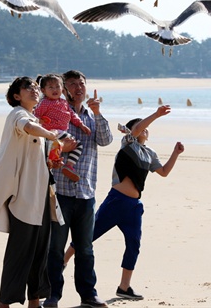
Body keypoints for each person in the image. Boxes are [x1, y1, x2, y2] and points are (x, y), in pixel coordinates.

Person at [64, 105, 185, 300]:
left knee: (134, 244)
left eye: (145, 126)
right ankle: (63, 260)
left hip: (134, 207)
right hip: (116, 201)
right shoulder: (128, 143)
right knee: (89, 235)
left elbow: (163, 172)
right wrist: (156, 114)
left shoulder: (149, 153)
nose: (143, 128)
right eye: (139, 125)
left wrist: (175, 154)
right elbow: (136, 131)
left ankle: (124, 287)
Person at [0, 76, 76, 308]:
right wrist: (52, 134)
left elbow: (37, 157)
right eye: (28, 87)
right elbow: (28, 127)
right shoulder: (18, 114)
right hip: (23, 200)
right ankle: (4, 304)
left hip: (42, 200)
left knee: (39, 257)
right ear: (17, 95)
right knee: (18, 256)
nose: (34, 90)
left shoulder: (35, 118)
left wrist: (52, 160)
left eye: (36, 87)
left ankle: (34, 303)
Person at [44, 70, 113, 308]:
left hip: (86, 193)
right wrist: (61, 148)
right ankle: (52, 295)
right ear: (63, 88)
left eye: (81, 83)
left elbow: (105, 141)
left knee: (85, 248)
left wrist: (97, 112)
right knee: (55, 248)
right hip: (60, 192)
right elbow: (42, 142)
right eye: (71, 84)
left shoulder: (92, 116)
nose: (77, 87)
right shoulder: (57, 111)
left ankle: (88, 295)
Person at [35, 73, 91, 182]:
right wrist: (39, 121)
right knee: (57, 147)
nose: (55, 89)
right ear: (43, 90)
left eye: (57, 86)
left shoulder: (63, 102)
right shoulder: (44, 103)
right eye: (51, 87)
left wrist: (81, 124)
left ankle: (68, 165)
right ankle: (56, 162)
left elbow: (72, 114)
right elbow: (35, 114)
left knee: (77, 145)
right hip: (51, 131)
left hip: (61, 132)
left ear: (62, 89)